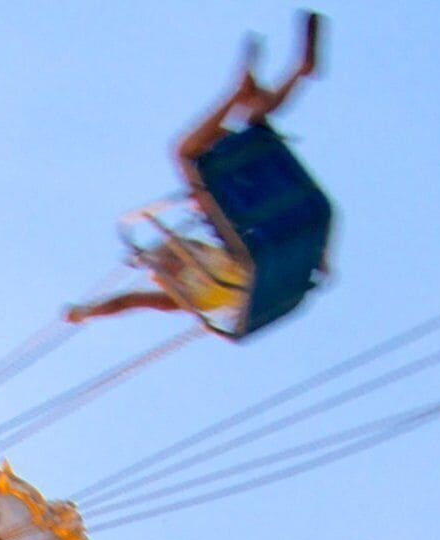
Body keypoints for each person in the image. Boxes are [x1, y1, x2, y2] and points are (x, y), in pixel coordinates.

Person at [69, 13, 327, 325]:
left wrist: (86, 312)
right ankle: (246, 91)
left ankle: (291, 75)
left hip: (259, 216)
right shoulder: (196, 293)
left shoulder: (200, 293)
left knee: (246, 126)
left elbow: (131, 301)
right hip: (254, 225)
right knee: (186, 152)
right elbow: (129, 301)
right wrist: (85, 312)